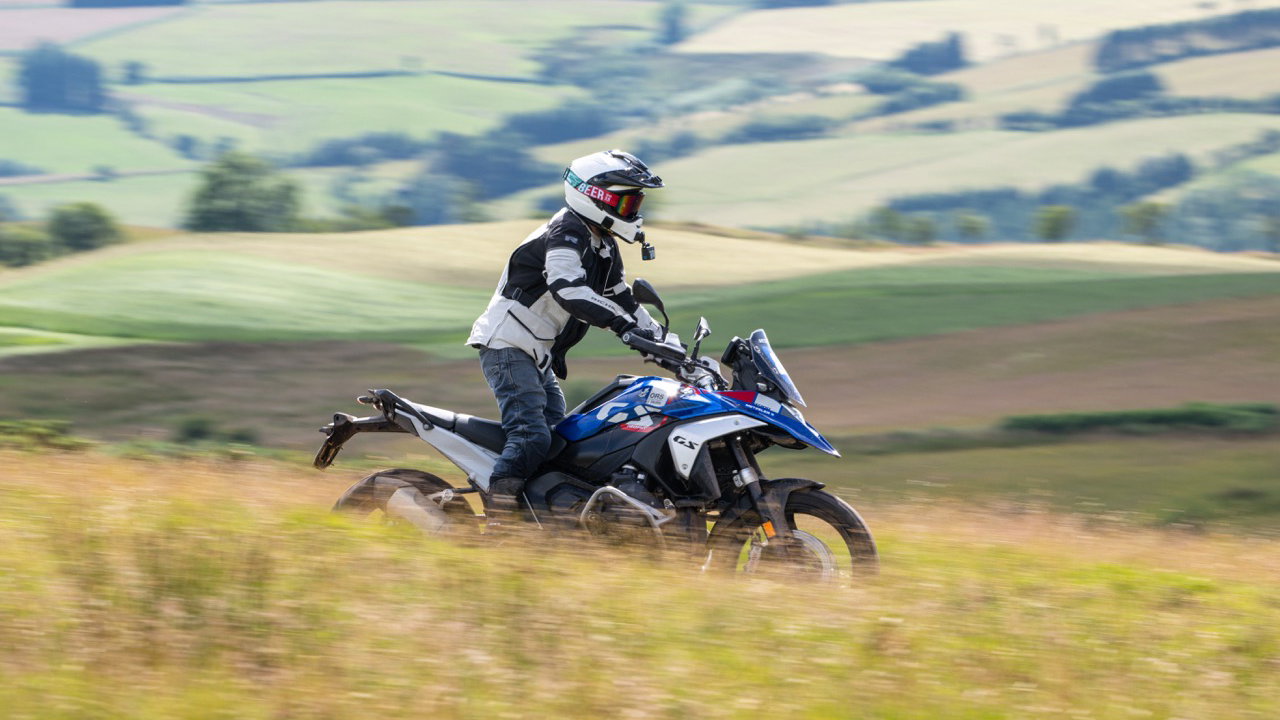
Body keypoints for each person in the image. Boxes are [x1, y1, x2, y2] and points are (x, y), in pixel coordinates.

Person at [466, 150, 676, 518]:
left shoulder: (602, 243)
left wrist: (666, 343)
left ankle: (541, 513)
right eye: (628, 200)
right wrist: (624, 328)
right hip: (508, 346)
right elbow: (570, 289)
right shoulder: (566, 232)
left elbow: (622, 299)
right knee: (532, 436)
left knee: (560, 439)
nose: (634, 210)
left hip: (535, 353)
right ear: (597, 196)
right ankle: (500, 519)